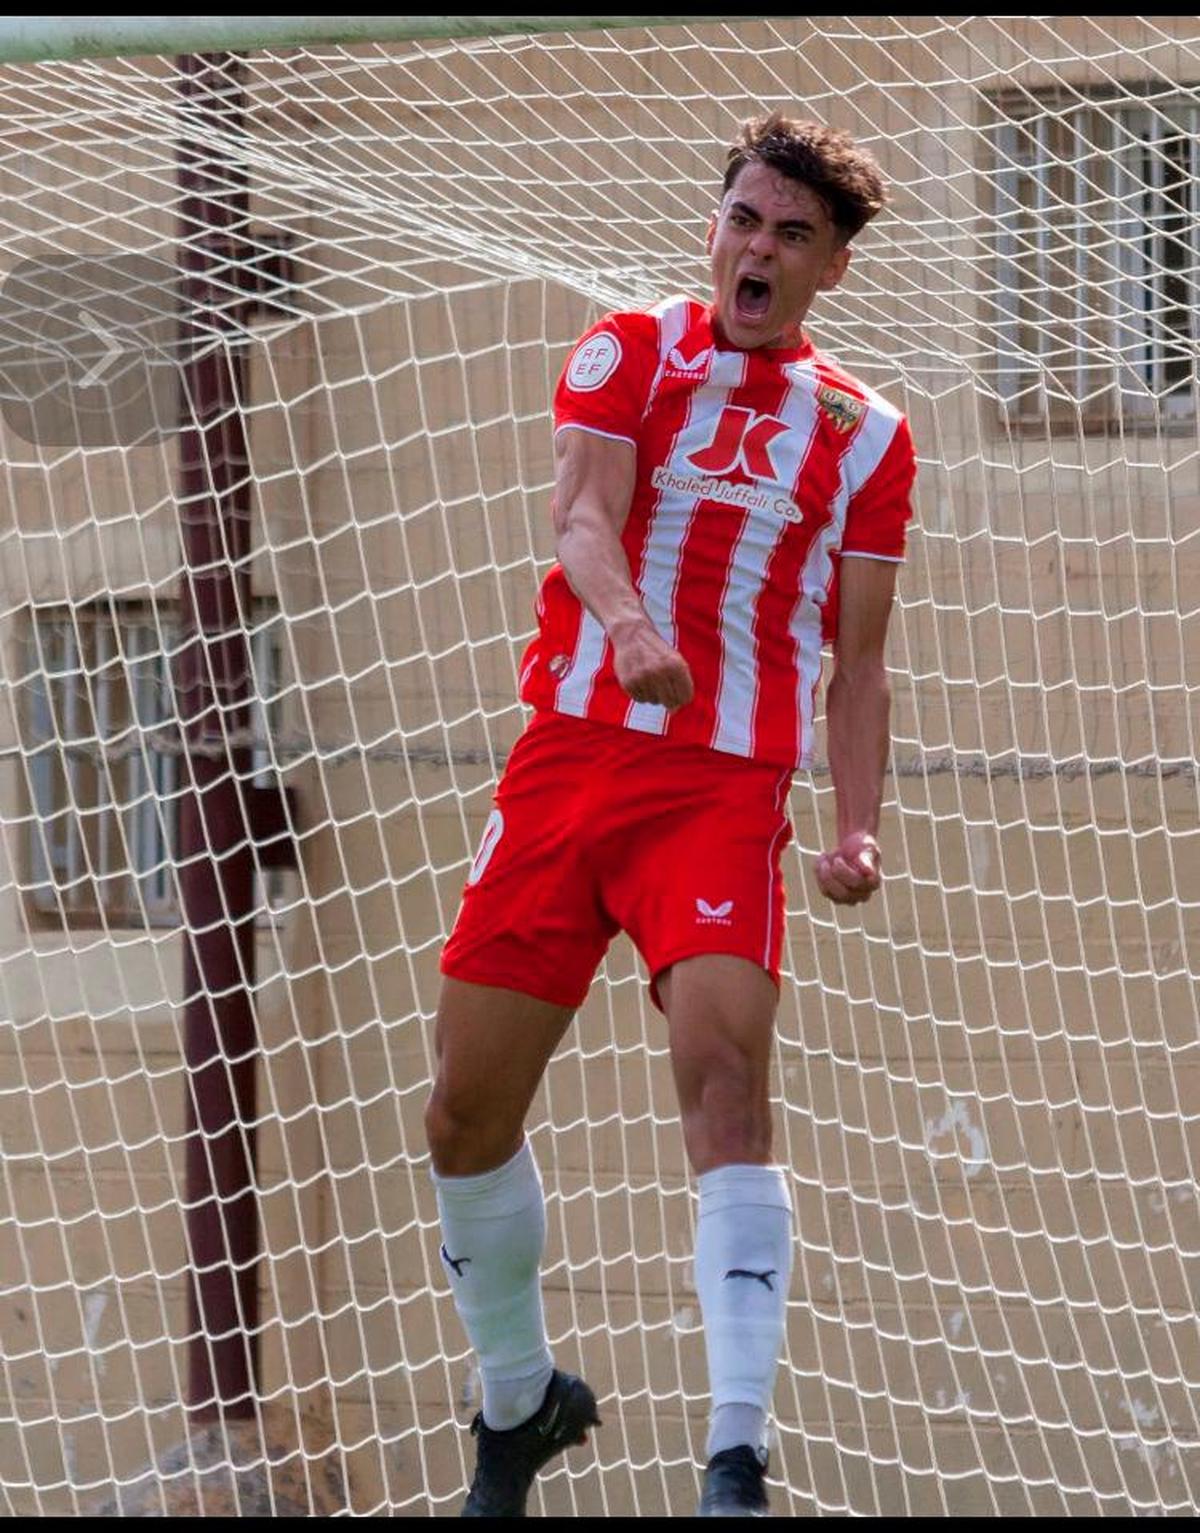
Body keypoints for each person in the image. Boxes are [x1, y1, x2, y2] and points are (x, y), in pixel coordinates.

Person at [425, 111, 916, 1519]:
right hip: (572, 761)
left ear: (829, 268)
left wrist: (858, 820)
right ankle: (520, 1404)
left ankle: (735, 1459)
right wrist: (632, 627)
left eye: (791, 235)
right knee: (463, 1113)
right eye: (743, 218)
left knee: (721, 1070)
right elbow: (582, 517)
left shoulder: (867, 435)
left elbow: (861, 656)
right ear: (716, 222)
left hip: (719, 789)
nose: (756, 249)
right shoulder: (627, 349)